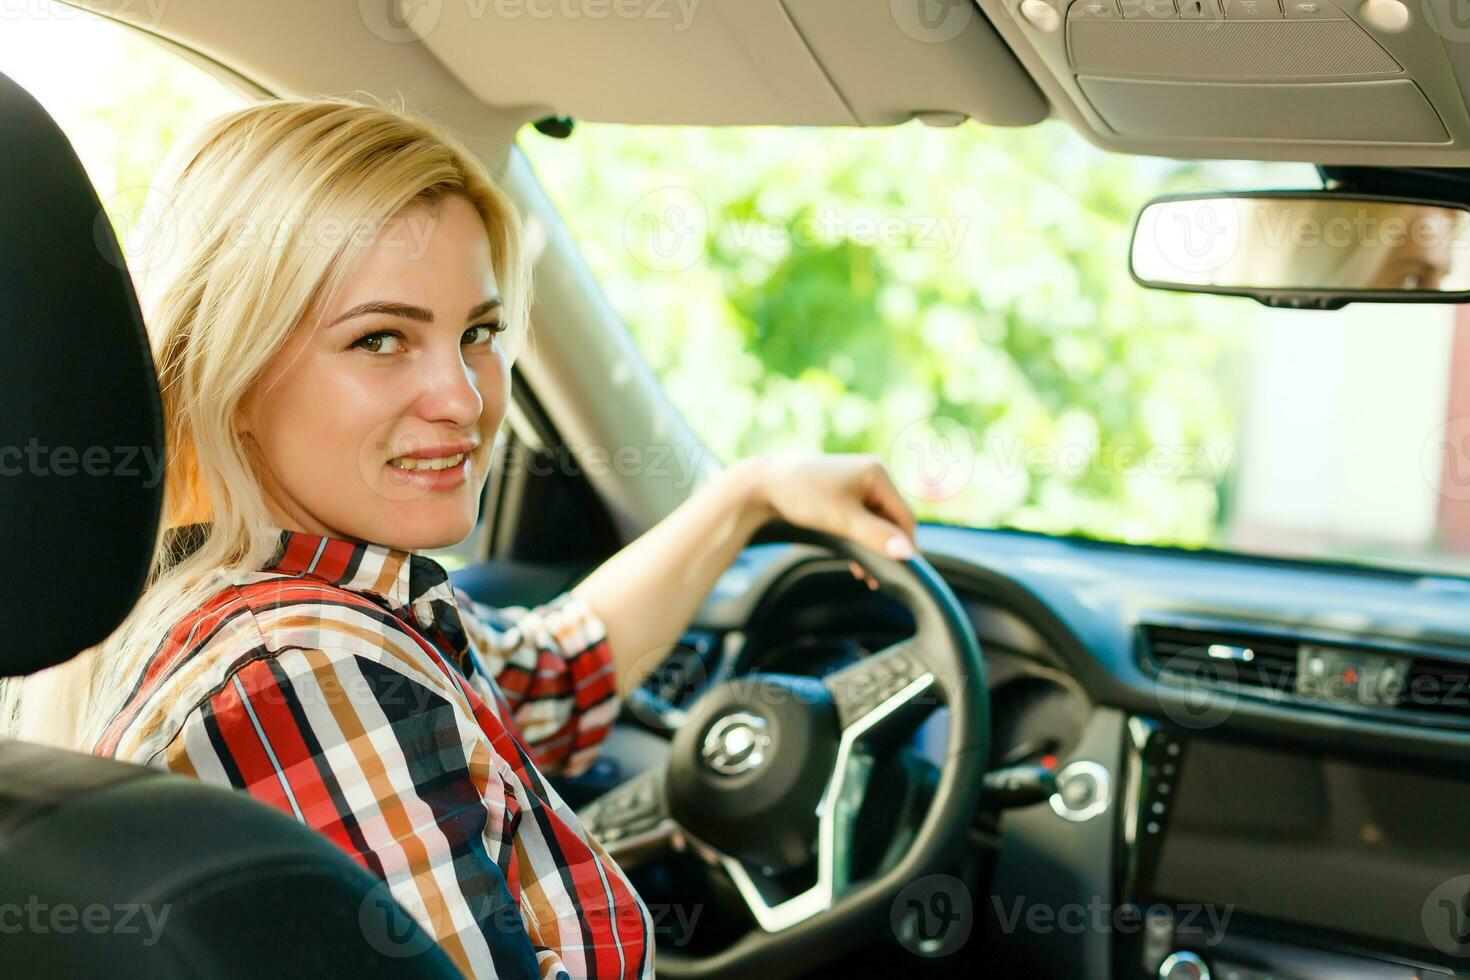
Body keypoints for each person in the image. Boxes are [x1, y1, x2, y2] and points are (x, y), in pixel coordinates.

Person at [0, 98, 919, 977]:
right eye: (380, 341)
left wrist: (747, 496)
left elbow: (548, 676)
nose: (466, 400)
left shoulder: (257, 606)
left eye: (478, 332)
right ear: (235, 372)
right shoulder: (303, 673)